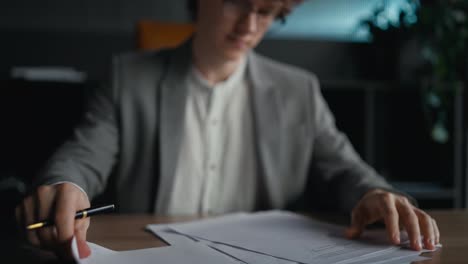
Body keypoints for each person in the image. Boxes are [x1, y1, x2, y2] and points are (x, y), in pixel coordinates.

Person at [15, 0, 440, 260]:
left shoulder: (298, 91)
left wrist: (376, 195)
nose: (250, 25)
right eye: (238, 2)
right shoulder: (129, 77)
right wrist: (64, 184)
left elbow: (346, 169)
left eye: (268, 11)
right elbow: (85, 152)